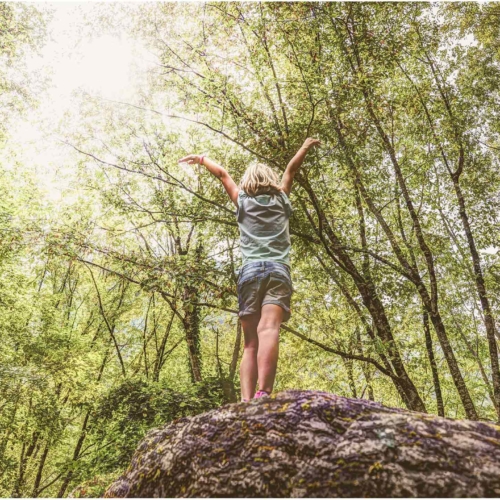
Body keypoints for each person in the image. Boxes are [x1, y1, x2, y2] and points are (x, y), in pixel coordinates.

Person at [179, 137, 321, 401]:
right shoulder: (281, 198)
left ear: (248, 181)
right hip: (278, 272)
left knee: (249, 344)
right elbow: (291, 171)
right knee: (269, 329)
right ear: (271, 180)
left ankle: (245, 401)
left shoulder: (243, 200)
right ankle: (263, 392)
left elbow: (223, 174)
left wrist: (200, 159)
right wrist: (304, 146)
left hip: (250, 274)